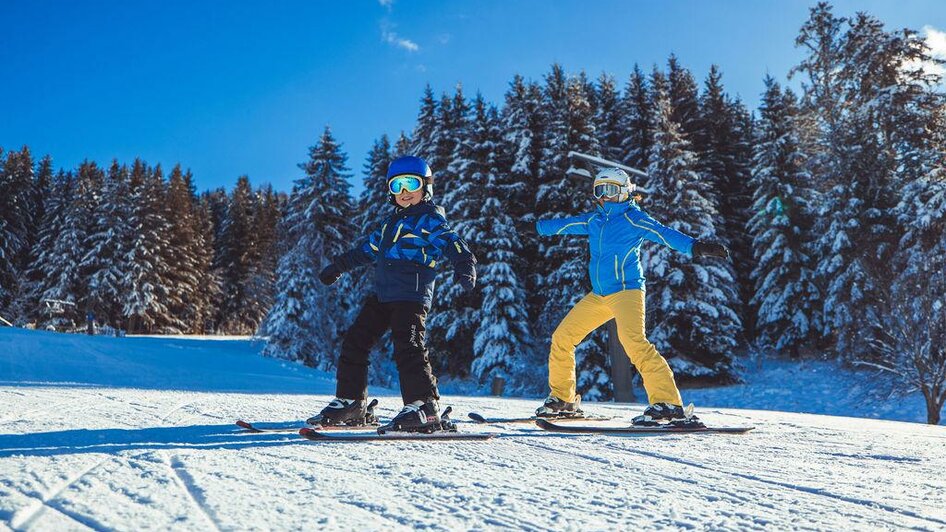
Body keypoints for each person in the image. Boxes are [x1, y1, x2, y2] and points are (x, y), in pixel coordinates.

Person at [532, 167, 729, 426]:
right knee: (562, 337)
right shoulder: (595, 221)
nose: (604, 196)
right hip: (600, 295)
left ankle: (668, 404)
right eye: (599, 190)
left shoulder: (634, 219)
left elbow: (664, 234)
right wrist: (535, 227)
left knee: (634, 342)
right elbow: (564, 225)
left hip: (627, 291)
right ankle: (563, 399)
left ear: (624, 191)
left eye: (610, 190)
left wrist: (695, 246)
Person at [312, 155, 477, 432]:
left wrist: (465, 266)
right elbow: (365, 251)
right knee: (355, 341)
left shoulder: (430, 219)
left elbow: (454, 244)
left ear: (426, 187)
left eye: (410, 184)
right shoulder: (389, 225)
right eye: (396, 185)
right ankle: (351, 403)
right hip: (383, 295)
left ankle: (424, 406)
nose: (403, 192)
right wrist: (337, 267)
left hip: (411, 295)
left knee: (409, 347)